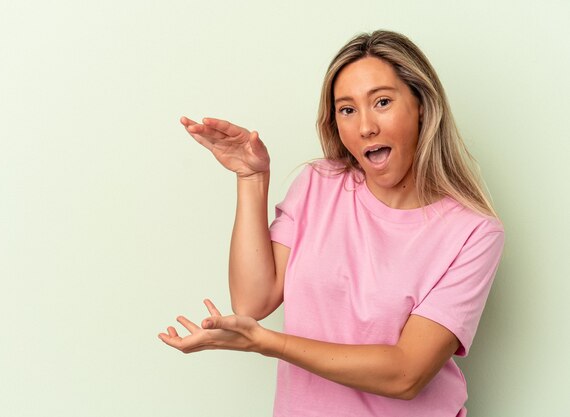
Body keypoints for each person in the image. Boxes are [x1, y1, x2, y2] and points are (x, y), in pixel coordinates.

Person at [158, 30, 504, 417]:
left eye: (383, 102)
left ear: (422, 105)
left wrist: (267, 343)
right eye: (347, 109)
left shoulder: (473, 232)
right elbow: (253, 301)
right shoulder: (319, 183)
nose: (365, 127)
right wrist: (251, 178)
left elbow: (407, 374)